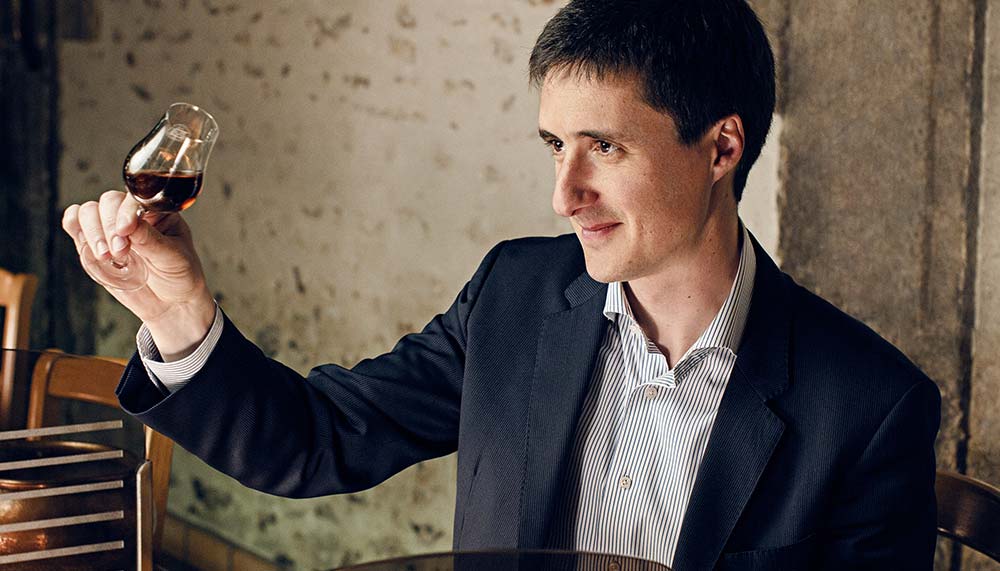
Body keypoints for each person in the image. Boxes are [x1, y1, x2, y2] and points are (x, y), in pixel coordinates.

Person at [62, 1, 941, 569]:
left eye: (605, 147)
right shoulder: (514, 295)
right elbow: (315, 440)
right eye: (556, 146)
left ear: (721, 148)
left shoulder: (869, 406)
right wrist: (180, 314)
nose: (564, 194)